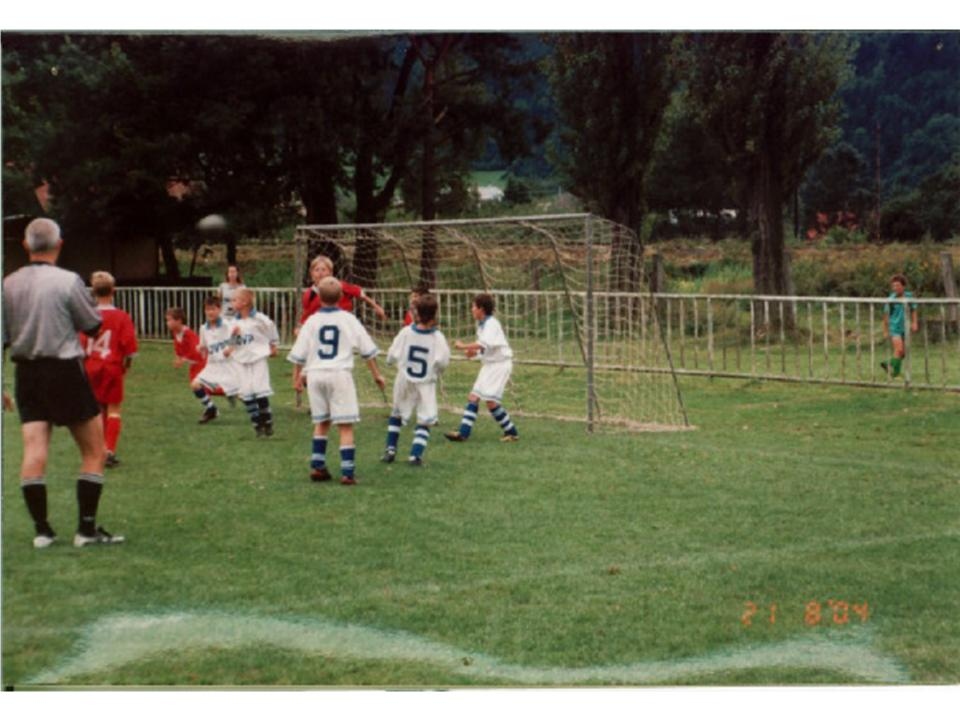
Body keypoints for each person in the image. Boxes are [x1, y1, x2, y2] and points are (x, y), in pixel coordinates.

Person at [1, 218, 124, 548]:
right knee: (94, 450)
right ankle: (86, 530)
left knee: (34, 451)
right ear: (59, 244)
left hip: (27, 373)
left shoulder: (8, 284)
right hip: (64, 369)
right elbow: (93, 325)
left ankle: (42, 531)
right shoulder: (69, 281)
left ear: (25, 246)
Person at [287, 277, 386, 485]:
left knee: (321, 422)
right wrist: (377, 374)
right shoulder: (348, 319)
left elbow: (299, 353)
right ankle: (347, 472)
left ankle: (318, 466)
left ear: (319, 297)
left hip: (315, 375)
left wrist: (296, 377)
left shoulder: (312, 321)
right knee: (345, 425)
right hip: (339, 374)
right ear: (341, 296)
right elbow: (367, 351)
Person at [382, 293, 450, 466]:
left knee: (397, 412)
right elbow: (443, 362)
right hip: (425, 382)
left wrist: (389, 362)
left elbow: (392, 354)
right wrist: (437, 372)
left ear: (417, 313)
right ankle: (415, 455)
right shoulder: (438, 337)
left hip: (404, 379)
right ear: (435, 314)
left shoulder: (406, 332)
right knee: (425, 419)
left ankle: (390, 450)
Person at [78, 271, 138, 467]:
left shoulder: (87, 316)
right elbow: (129, 348)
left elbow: (80, 344)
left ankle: (97, 449)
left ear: (93, 292)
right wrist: (126, 365)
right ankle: (109, 450)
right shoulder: (121, 316)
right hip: (112, 366)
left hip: (91, 366)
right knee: (113, 409)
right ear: (113, 291)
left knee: (96, 409)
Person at [445, 293, 519, 443]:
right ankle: (463, 433)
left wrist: (463, 346)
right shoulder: (482, 325)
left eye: (474, 306)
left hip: (499, 365)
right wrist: (473, 353)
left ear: (482, 309)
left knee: (491, 402)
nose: (471, 309)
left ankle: (512, 432)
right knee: (473, 396)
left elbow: (483, 344)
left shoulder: (492, 324)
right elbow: (485, 348)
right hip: (490, 365)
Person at [229, 288, 279, 437]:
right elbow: (232, 344)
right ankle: (257, 423)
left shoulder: (259, 318)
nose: (232, 302)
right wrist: (234, 336)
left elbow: (271, 328)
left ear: (245, 302)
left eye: (235, 300)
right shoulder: (233, 322)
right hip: (241, 360)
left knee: (260, 388)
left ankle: (267, 421)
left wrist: (273, 345)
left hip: (257, 358)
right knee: (246, 391)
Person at [296, 254, 387, 333]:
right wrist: (300, 327)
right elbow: (306, 314)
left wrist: (376, 307)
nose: (320, 273)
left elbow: (361, 294)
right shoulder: (309, 295)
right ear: (311, 274)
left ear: (330, 273)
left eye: (323, 270)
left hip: (343, 327)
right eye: (317, 270)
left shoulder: (340, 286)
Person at [192, 296, 240, 423]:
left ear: (219, 310)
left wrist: (231, 348)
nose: (210, 312)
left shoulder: (227, 325)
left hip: (228, 365)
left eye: (213, 309)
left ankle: (261, 412)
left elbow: (238, 334)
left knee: (241, 395)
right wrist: (200, 348)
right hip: (212, 365)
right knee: (195, 385)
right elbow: (203, 345)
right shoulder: (203, 328)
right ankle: (211, 409)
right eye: (207, 309)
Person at [881, 273, 919, 379]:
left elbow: (914, 309)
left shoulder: (909, 296)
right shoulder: (891, 299)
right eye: (893, 286)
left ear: (903, 286)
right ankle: (895, 372)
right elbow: (886, 316)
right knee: (900, 349)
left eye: (898, 285)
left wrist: (914, 322)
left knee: (902, 353)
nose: (895, 288)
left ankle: (889, 365)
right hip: (895, 327)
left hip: (905, 327)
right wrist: (885, 330)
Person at [166, 306, 207, 387]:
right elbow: (177, 346)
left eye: (170, 320)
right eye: (167, 320)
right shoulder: (176, 333)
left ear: (179, 321)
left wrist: (183, 360)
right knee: (196, 387)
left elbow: (195, 350)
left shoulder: (188, 334)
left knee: (198, 386)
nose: (167, 323)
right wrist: (178, 357)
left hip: (202, 363)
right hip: (194, 364)